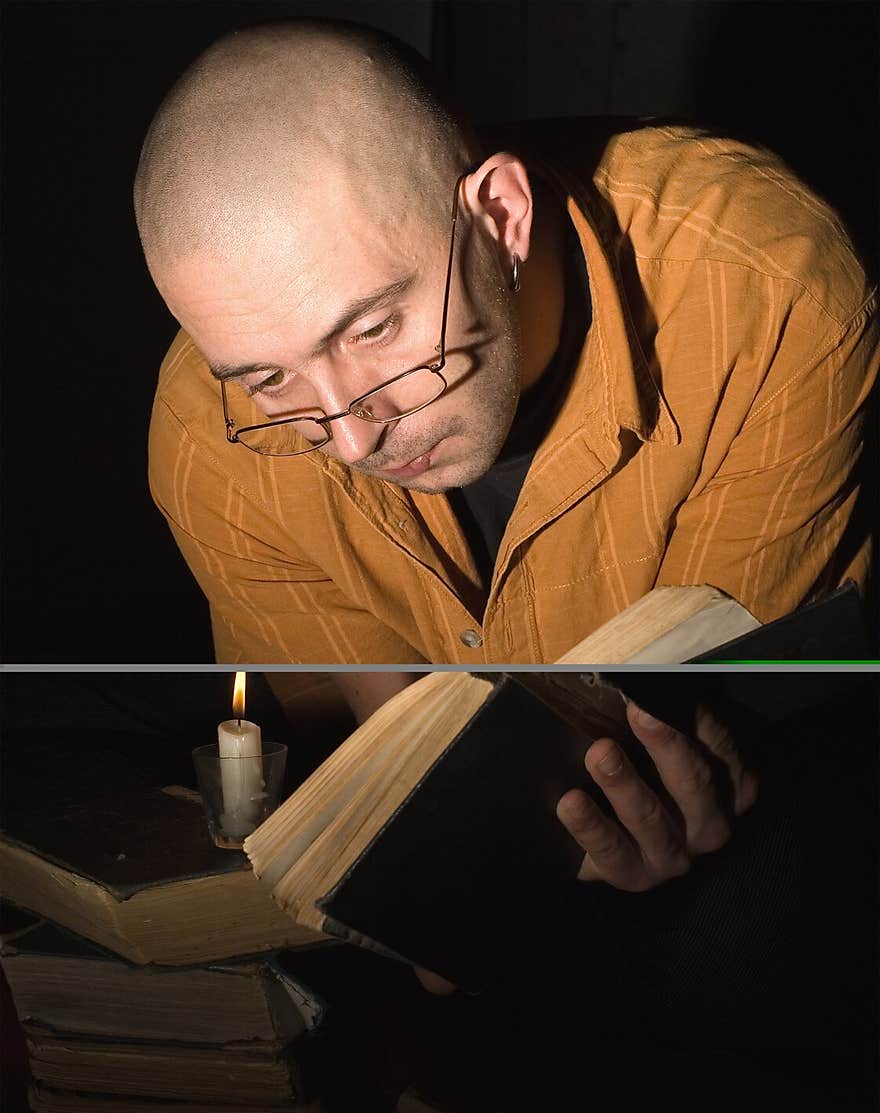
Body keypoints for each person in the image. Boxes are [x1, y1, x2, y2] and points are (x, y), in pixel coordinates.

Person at [137, 19, 880, 700]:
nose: (352, 437)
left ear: (502, 217)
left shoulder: (765, 292)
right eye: (270, 377)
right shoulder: (211, 429)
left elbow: (732, 715)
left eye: (371, 330)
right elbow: (378, 772)